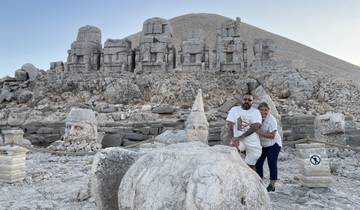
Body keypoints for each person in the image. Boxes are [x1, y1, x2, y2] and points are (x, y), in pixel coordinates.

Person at [226, 94, 262, 170]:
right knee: (232, 152)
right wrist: (232, 138)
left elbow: (256, 126)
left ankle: (253, 180)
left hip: (252, 142)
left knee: (251, 164)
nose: (247, 101)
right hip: (238, 140)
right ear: (241, 100)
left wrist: (240, 137)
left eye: (249, 100)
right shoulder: (234, 110)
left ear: (252, 102)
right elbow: (230, 125)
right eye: (245, 99)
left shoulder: (256, 112)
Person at [255, 102, 282, 192]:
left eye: (265, 110)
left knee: (271, 162)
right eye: (261, 110)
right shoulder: (255, 117)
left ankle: (272, 185)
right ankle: (260, 183)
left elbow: (272, 135)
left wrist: (259, 132)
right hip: (263, 144)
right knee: (258, 163)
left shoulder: (271, 120)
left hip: (274, 143)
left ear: (269, 110)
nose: (263, 112)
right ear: (258, 110)